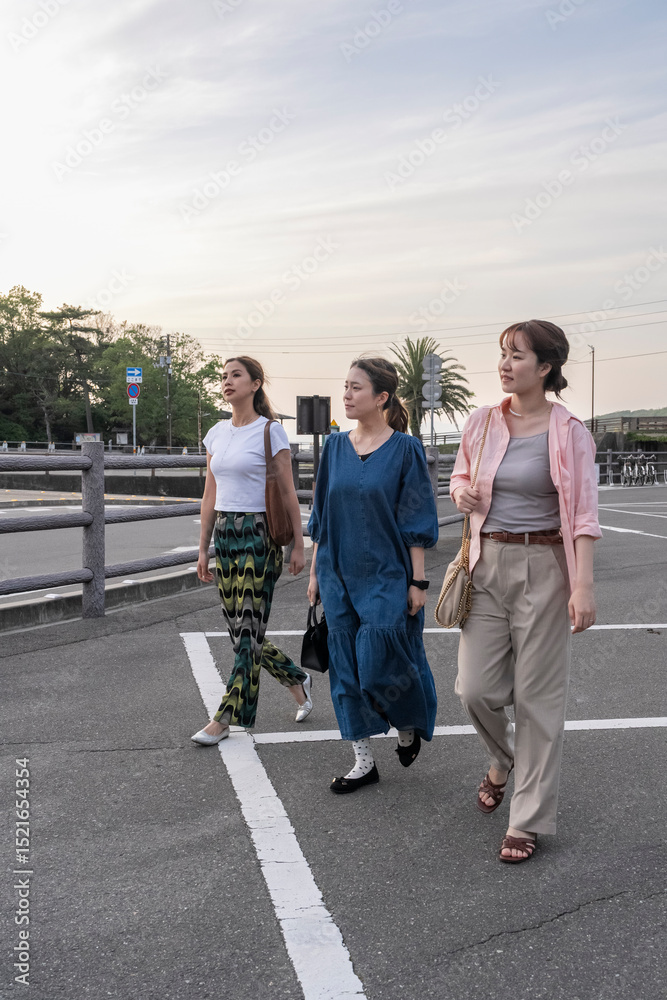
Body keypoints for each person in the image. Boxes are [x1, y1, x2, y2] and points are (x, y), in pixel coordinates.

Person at [450, 320, 600, 863]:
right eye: (503, 354)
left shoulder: (570, 432)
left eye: (517, 355)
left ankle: (527, 819)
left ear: (545, 367)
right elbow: (460, 476)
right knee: (474, 689)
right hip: (485, 562)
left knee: (539, 701)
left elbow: (583, 515)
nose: (505, 364)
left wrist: (582, 585)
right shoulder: (483, 422)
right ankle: (503, 756)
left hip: (545, 566)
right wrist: (462, 493)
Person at [307, 357, 439, 792]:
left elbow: (415, 519)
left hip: (387, 573)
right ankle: (363, 761)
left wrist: (418, 582)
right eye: (345, 386)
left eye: (356, 387)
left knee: (380, 659)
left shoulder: (405, 449)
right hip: (336, 571)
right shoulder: (334, 447)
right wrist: (314, 575)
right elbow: (322, 517)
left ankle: (407, 722)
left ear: (381, 397)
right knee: (346, 668)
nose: (346, 394)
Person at [191, 356, 312, 745]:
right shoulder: (216, 434)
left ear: (255, 384)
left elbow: (288, 492)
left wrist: (298, 544)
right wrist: (203, 548)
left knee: (247, 631)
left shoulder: (270, 432)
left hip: (259, 534)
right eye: (224, 376)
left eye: (236, 375)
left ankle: (226, 718)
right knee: (240, 631)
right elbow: (209, 496)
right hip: (226, 534)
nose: (227, 381)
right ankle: (295, 678)